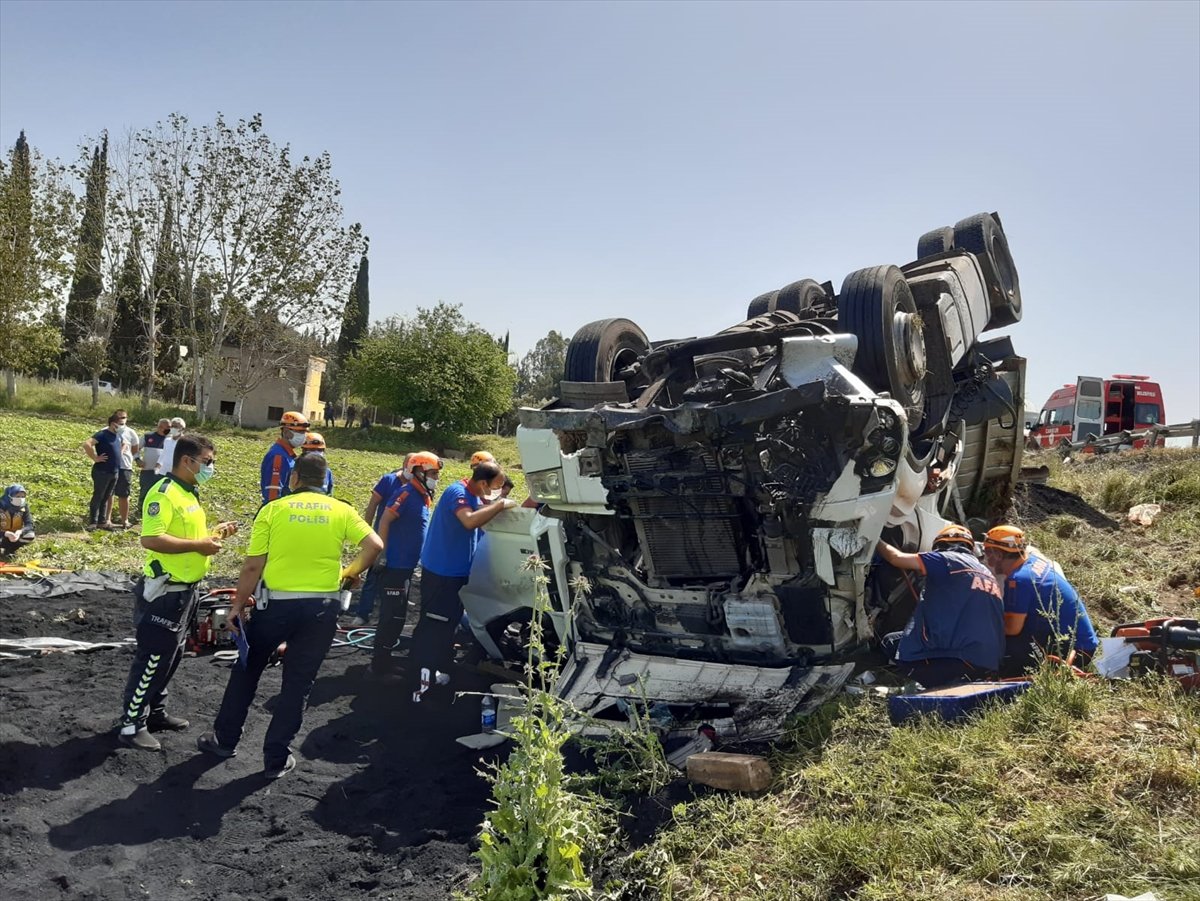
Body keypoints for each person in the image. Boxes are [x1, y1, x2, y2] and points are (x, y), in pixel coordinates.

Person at [197, 453, 382, 778]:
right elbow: (375, 544)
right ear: (325, 480)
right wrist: (349, 573)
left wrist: (238, 607)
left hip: (275, 608)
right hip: (320, 610)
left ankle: (225, 741)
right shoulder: (342, 510)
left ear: (294, 478)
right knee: (298, 685)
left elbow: (253, 566)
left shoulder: (274, 510)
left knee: (247, 671)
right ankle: (276, 759)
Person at [116, 434, 237, 751]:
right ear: (188, 460)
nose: (211, 467)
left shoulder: (189, 493)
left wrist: (213, 535)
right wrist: (200, 545)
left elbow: (188, 539)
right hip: (165, 592)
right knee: (153, 657)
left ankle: (154, 713)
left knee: (173, 655)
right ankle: (131, 725)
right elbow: (151, 539)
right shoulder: (164, 492)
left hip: (186, 592)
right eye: (208, 462)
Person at [410, 460, 517, 703]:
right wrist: (500, 505)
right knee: (433, 626)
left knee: (449, 624)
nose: (498, 493)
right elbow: (469, 521)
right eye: (496, 487)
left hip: (456, 572)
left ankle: (441, 668)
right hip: (441, 573)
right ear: (482, 483)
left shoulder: (474, 494)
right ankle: (420, 681)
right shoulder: (457, 493)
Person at [875, 524, 1005, 688]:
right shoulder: (987, 574)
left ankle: (942, 683)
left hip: (956, 659)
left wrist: (875, 539)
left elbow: (896, 558)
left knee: (891, 643)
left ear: (940, 545)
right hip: (988, 663)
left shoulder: (945, 559)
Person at [982, 525, 1099, 674]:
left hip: (1075, 650)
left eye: (987, 552)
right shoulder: (1033, 562)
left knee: (1004, 649)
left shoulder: (1019, 579)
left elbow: (1012, 628)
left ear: (998, 554)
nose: (986, 558)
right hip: (1083, 642)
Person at [368, 452, 441, 681]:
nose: (435, 478)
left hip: (407, 566)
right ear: (417, 472)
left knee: (397, 616)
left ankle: (385, 662)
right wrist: (381, 553)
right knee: (391, 616)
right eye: (432, 473)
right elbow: (385, 519)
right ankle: (378, 668)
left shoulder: (422, 495)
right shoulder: (406, 493)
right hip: (395, 565)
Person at [351, 453, 414, 626]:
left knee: (398, 579)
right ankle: (363, 613)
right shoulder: (388, 480)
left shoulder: (417, 487)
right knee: (373, 576)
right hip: (381, 537)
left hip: (402, 542)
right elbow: (372, 506)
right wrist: (366, 532)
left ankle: (391, 615)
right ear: (404, 465)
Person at [81, 410, 125, 530]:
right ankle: (93, 522)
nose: (122, 427)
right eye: (120, 424)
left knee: (106, 497)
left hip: (114, 472)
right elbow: (87, 444)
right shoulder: (102, 434)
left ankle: (102, 521)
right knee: (98, 496)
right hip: (102, 471)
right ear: (112, 424)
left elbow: (123, 445)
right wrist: (95, 457)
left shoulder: (118, 436)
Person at [260, 411, 309, 504]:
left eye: (304, 432)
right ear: (286, 431)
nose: (303, 436)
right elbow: (273, 494)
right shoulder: (278, 456)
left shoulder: (287, 455)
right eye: (300, 432)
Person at [115, 412, 141, 528]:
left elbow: (135, 449)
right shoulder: (105, 430)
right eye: (119, 417)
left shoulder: (131, 432)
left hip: (125, 467)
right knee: (108, 494)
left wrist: (136, 460)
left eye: (124, 417)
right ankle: (106, 519)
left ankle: (124, 521)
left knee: (124, 494)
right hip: (110, 467)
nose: (121, 419)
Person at [140, 419, 171, 504]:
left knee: (160, 494)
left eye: (169, 427)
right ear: (159, 427)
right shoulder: (147, 436)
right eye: (163, 427)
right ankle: (141, 510)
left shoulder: (172, 440)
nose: (166, 429)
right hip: (148, 470)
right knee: (145, 492)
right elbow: (135, 449)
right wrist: (137, 459)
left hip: (165, 473)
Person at [0, 485, 35, 558]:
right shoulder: (1, 506)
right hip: (2, 534)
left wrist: (20, 532)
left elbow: (29, 524)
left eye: (22, 497)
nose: (20, 499)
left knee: (30, 535)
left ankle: (10, 550)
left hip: (15, 535)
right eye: (17, 496)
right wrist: (5, 533)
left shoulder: (24, 507)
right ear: (9, 496)